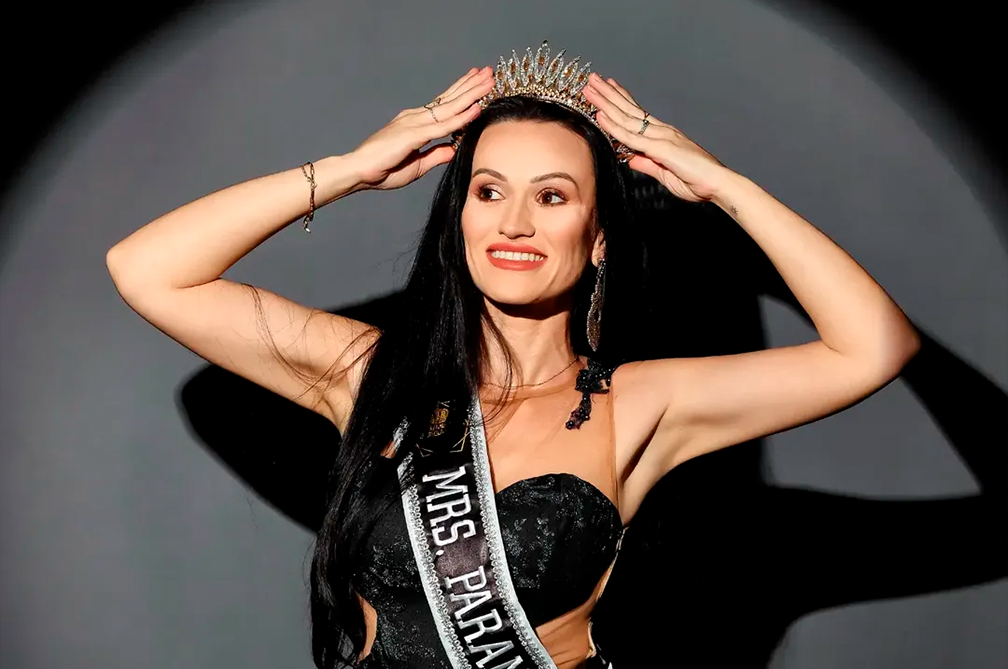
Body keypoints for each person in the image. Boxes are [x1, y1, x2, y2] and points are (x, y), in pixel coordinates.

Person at [106, 42, 920, 669]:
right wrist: (348, 172)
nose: (515, 222)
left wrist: (721, 188)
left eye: (552, 195)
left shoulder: (642, 405)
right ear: (460, 219)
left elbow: (874, 345)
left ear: (598, 237)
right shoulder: (372, 373)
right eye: (489, 190)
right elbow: (148, 271)